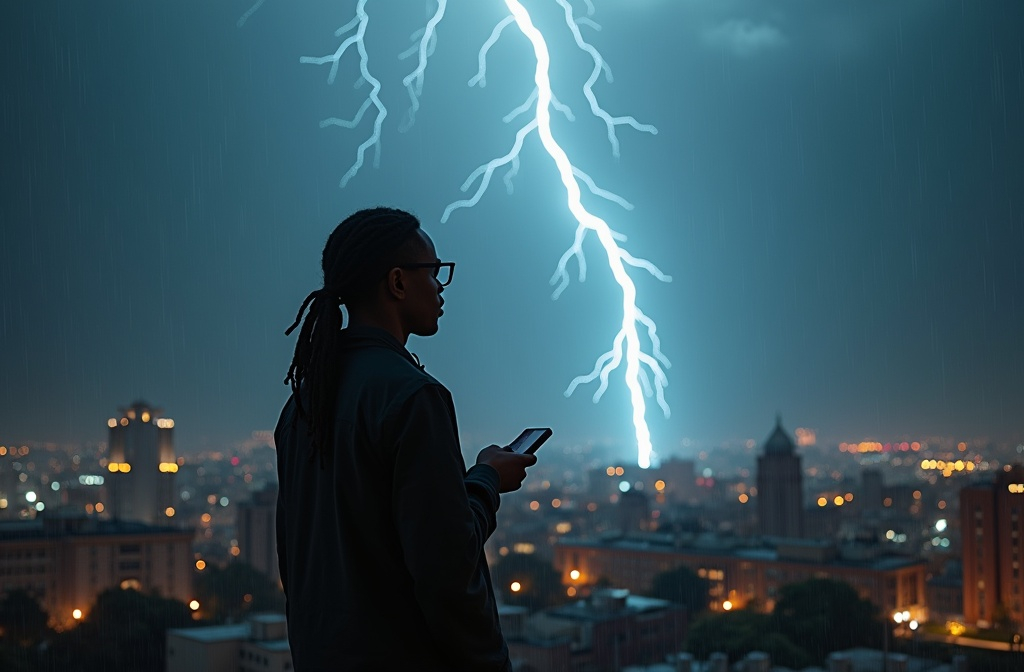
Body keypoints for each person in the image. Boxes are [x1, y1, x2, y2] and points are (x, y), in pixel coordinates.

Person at [274, 206, 537, 671]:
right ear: (397, 282)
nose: (440, 287)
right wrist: (487, 480)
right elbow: (448, 570)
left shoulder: (300, 408)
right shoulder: (413, 397)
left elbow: (298, 562)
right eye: (434, 272)